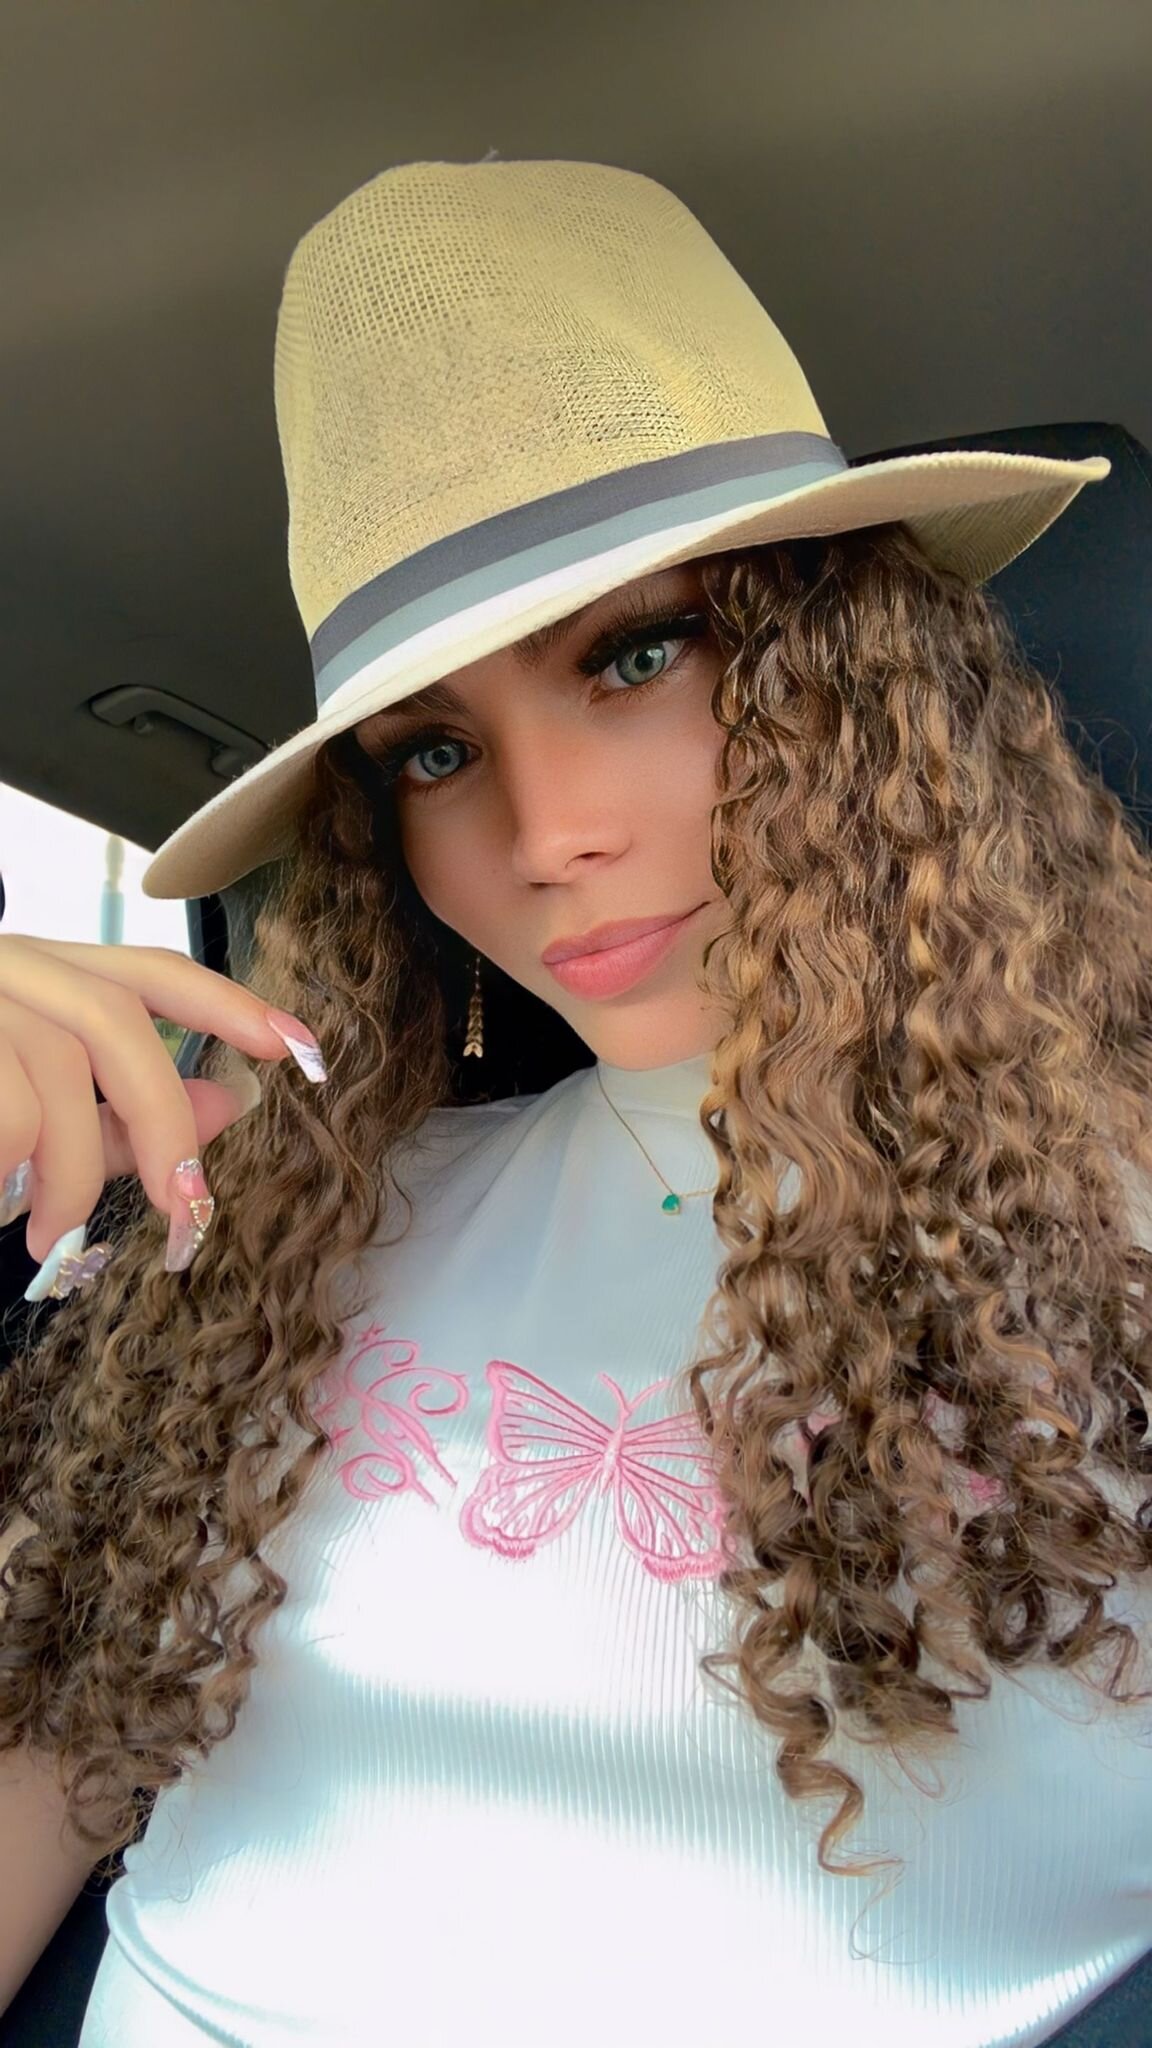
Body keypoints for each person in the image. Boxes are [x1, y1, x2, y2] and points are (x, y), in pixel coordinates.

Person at [1, 156, 1151, 2047]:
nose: (545, 838)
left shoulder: (1120, 1248)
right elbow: (52, 1761)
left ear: (864, 674)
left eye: (637, 654)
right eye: (435, 753)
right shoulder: (285, 1234)